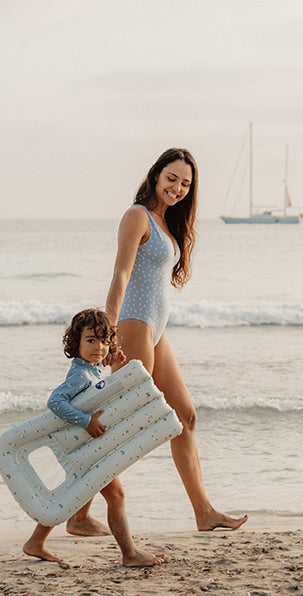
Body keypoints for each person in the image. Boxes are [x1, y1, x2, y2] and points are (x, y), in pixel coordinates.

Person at [65, 148, 248, 534]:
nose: (177, 188)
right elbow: (121, 272)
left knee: (185, 416)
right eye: (172, 179)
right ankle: (78, 514)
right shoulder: (137, 215)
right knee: (118, 423)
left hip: (155, 328)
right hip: (133, 324)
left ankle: (204, 513)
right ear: (155, 175)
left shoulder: (166, 223)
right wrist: (108, 328)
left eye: (185, 183)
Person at [22, 308, 164, 567]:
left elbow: (96, 384)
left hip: (88, 448)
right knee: (115, 496)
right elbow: (55, 401)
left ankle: (36, 542)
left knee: (70, 494)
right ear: (75, 343)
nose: (98, 347)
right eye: (91, 341)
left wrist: (111, 358)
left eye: (104, 341)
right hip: (86, 446)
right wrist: (87, 422)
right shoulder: (79, 375)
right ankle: (129, 553)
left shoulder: (91, 368)